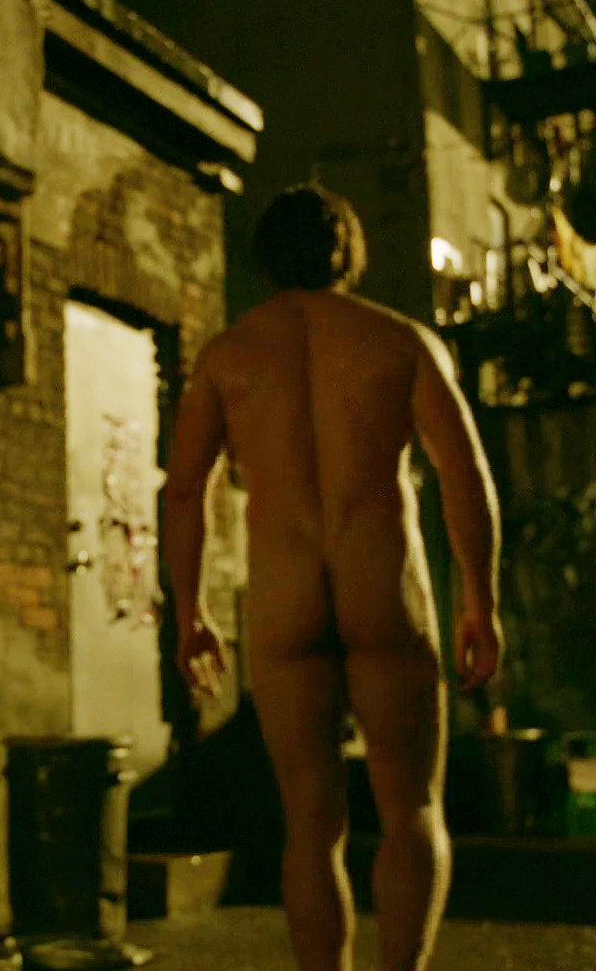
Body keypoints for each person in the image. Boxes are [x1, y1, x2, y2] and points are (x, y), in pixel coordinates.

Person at [161, 184, 504, 971]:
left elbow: (183, 492)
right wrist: (481, 602)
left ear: (264, 257)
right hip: (382, 585)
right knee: (412, 807)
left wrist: (191, 613)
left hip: (284, 595)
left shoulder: (228, 357)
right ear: (348, 251)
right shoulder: (400, 341)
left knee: (310, 828)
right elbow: (465, 474)